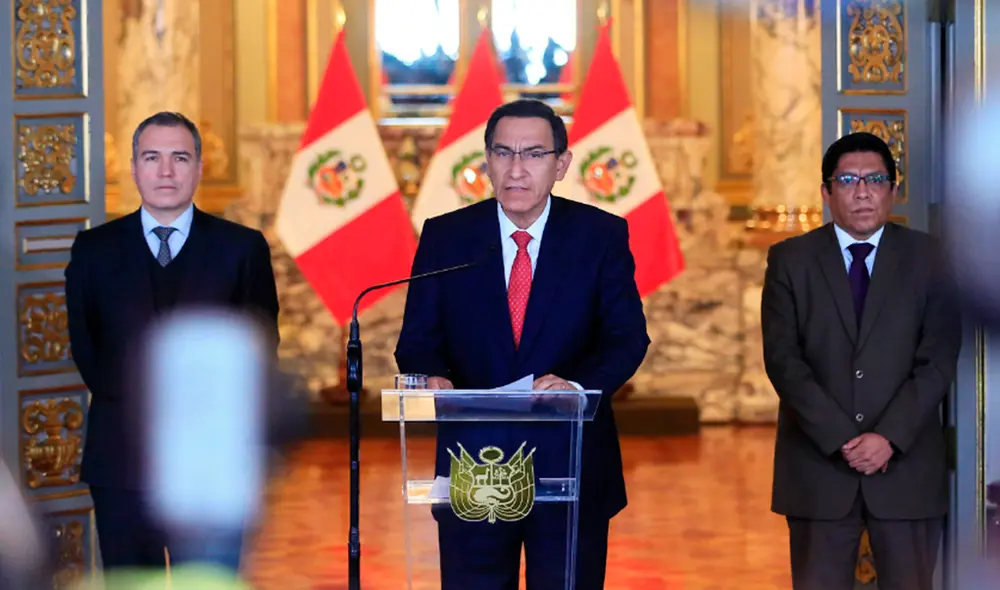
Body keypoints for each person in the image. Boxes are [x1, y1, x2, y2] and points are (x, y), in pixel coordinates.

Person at [394, 99, 650, 589]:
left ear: (561, 164)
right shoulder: (447, 237)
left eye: (533, 154)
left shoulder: (600, 236)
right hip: (475, 465)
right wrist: (433, 375)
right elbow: (418, 340)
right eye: (502, 153)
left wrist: (577, 385)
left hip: (570, 463)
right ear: (486, 161)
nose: (516, 169)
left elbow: (626, 337)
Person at [65, 112, 279, 574]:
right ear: (134, 167)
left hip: (211, 466)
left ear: (199, 167)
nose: (166, 171)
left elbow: (257, 351)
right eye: (152, 157)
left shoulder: (242, 249)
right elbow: (86, 348)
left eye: (179, 158)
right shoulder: (92, 250)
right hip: (119, 460)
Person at [761, 131, 961, 590]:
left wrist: (888, 437)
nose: (863, 191)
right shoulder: (791, 260)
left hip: (906, 470)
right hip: (818, 471)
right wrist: (843, 439)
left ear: (893, 188)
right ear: (826, 192)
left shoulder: (930, 258)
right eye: (848, 180)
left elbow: (938, 358)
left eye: (875, 179)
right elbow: (784, 361)